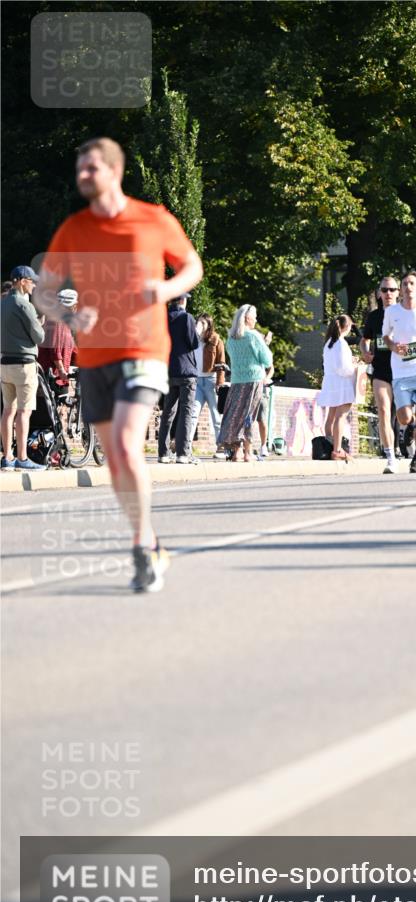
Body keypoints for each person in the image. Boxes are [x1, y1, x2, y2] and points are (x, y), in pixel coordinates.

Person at [35, 136, 203, 591]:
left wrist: (163, 291)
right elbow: (43, 293)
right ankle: (148, 538)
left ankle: (140, 549)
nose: (83, 175)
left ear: (114, 171)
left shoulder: (153, 219)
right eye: (80, 169)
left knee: (129, 445)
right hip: (94, 354)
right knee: (114, 459)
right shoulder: (74, 230)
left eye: (91, 168)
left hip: (144, 350)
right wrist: (68, 315)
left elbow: (192, 267)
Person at [382, 270, 416, 473]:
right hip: (401, 371)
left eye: (412, 283)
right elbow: (386, 336)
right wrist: (393, 346)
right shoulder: (392, 312)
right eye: (404, 284)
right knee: (404, 417)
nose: (408, 287)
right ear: (401, 289)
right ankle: (410, 426)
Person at [1, 265, 47, 470]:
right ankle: (22, 457)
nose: (34, 284)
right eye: (31, 281)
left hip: (4, 364)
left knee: (7, 411)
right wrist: (39, 322)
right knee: (24, 412)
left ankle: (7, 457)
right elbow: (39, 336)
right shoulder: (24, 305)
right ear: (21, 280)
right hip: (24, 364)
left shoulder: (3, 304)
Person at [216, 304, 272, 462]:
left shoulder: (231, 339)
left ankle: (237, 451)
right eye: (255, 316)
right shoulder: (253, 336)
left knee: (235, 415)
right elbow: (267, 360)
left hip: (236, 381)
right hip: (253, 380)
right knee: (249, 416)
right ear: (248, 318)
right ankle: (248, 452)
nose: (256, 319)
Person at [359, 276, 400, 473]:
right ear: (379, 293)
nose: (388, 294)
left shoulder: (406, 314)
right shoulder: (374, 317)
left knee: (404, 415)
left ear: (398, 292)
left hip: (403, 370)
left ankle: (409, 442)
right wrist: (365, 352)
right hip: (381, 369)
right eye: (384, 290)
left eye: (392, 290)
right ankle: (390, 456)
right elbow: (365, 339)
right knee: (383, 410)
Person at [157, 294, 199, 464]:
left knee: (167, 413)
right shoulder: (187, 318)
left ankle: (163, 453)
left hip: (169, 370)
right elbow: (193, 343)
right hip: (186, 371)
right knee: (186, 412)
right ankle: (183, 453)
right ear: (183, 301)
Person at [316, 314, 358, 460]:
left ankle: (329, 446)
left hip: (330, 383)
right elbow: (344, 368)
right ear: (346, 327)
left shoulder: (328, 343)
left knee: (331, 417)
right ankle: (337, 450)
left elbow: (334, 364)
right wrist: (355, 367)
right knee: (341, 416)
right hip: (342, 384)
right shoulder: (341, 343)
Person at [189, 313, 226, 452]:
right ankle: (186, 447)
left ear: (209, 325)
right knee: (193, 414)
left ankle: (220, 446)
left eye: (203, 323)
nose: (200, 325)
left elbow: (221, 363)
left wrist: (220, 383)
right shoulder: (193, 339)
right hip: (197, 381)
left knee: (215, 416)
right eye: (198, 322)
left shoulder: (216, 340)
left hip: (211, 381)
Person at [38, 289, 77, 389]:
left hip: (58, 375)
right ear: (72, 306)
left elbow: (72, 349)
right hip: (51, 375)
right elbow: (55, 350)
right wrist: (62, 370)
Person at [254, 327, 274, 460]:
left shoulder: (264, 352)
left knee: (262, 419)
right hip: (250, 384)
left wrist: (267, 378)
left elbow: (271, 368)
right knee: (247, 419)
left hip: (261, 387)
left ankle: (263, 446)